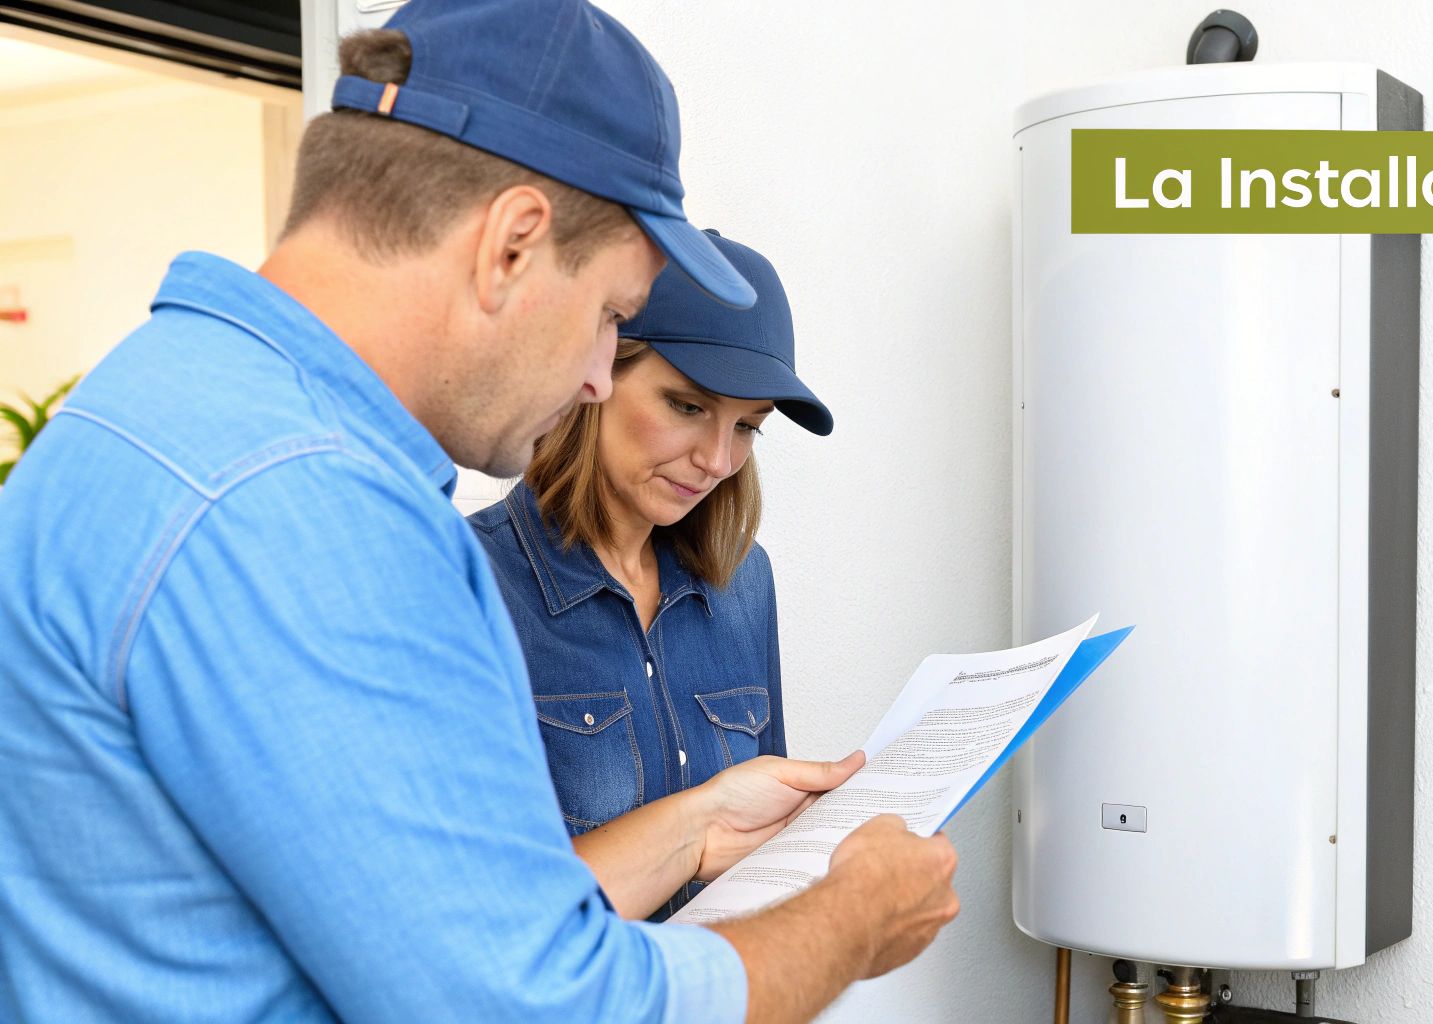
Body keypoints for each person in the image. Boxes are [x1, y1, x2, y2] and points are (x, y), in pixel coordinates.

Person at [0, 2, 957, 1022]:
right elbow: (530, 1006)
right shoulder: (308, 506)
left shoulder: (160, 399)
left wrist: (697, 823)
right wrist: (852, 918)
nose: (598, 378)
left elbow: (418, 920)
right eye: (612, 317)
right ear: (511, 244)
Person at [469, 230, 831, 921]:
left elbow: (761, 861)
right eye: (688, 407)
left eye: (749, 427)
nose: (718, 461)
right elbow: (470, 914)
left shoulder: (744, 585)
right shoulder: (469, 584)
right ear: (598, 370)